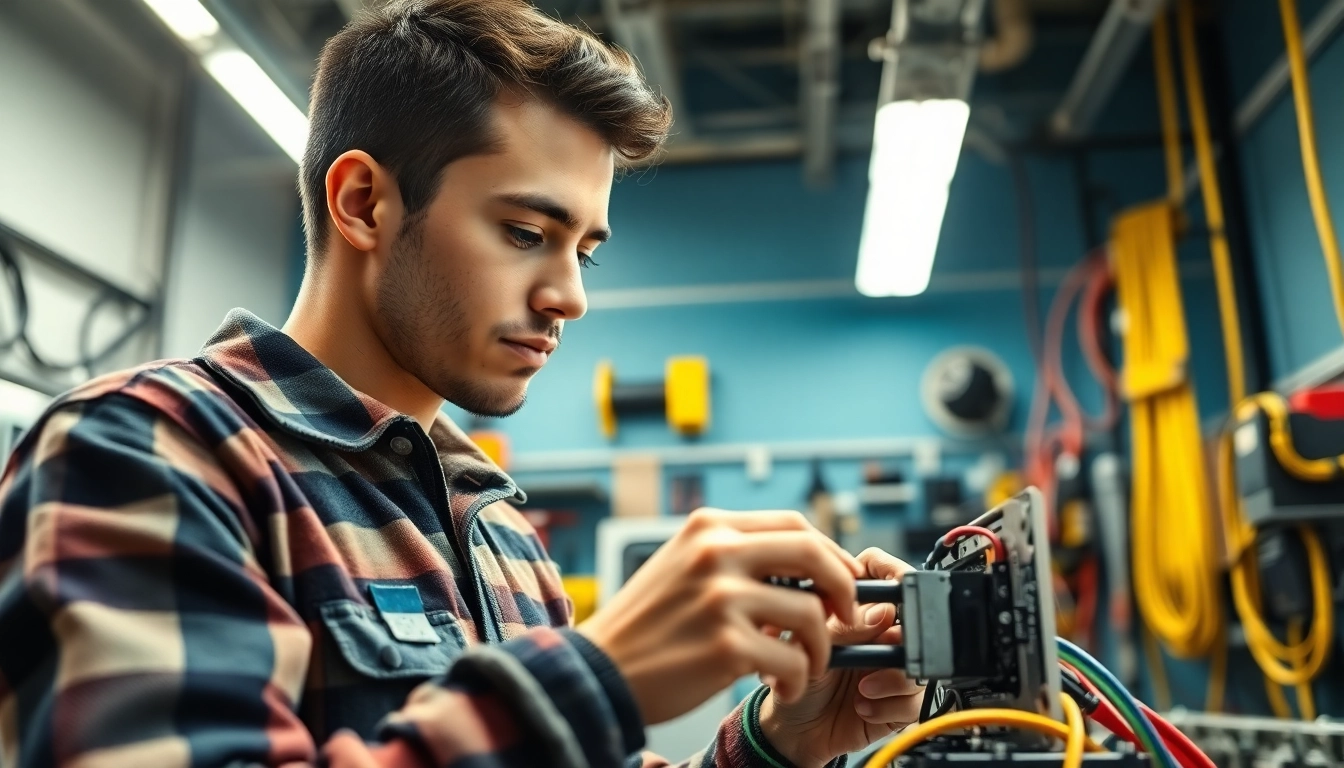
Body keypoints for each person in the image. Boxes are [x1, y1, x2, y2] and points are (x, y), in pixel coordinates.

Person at [0, 1, 923, 766]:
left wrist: (771, 746)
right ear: (364, 202)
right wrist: (594, 679)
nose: (568, 296)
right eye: (526, 232)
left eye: (584, 252)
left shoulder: (496, 524)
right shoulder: (144, 452)